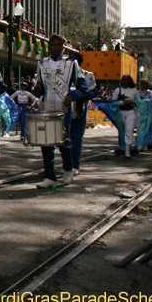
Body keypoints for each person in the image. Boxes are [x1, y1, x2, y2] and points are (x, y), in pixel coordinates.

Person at [32, 34, 89, 188]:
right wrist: (37, 89)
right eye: (53, 44)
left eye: (59, 45)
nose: (56, 47)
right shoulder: (42, 64)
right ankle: (49, 176)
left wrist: (72, 95)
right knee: (46, 142)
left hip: (63, 108)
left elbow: (83, 87)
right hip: (47, 107)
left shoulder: (71, 64)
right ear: (49, 47)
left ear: (63, 47)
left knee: (64, 142)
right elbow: (42, 88)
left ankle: (68, 169)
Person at [65, 51, 96, 175]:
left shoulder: (87, 75)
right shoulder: (61, 75)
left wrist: (82, 95)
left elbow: (94, 92)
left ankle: (75, 164)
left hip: (79, 109)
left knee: (76, 138)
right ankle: (66, 163)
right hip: (64, 108)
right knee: (64, 139)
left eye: (73, 60)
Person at [112, 75, 141, 158]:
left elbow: (139, 102)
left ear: (130, 81)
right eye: (123, 80)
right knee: (122, 131)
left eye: (127, 80)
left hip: (131, 112)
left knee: (129, 130)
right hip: (120, 112)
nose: (125, 81)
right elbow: (113, 102)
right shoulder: (118, 90)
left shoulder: (134, 91)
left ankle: (127, 151)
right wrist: (123, 102)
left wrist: (133, 102)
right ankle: (122, 148)